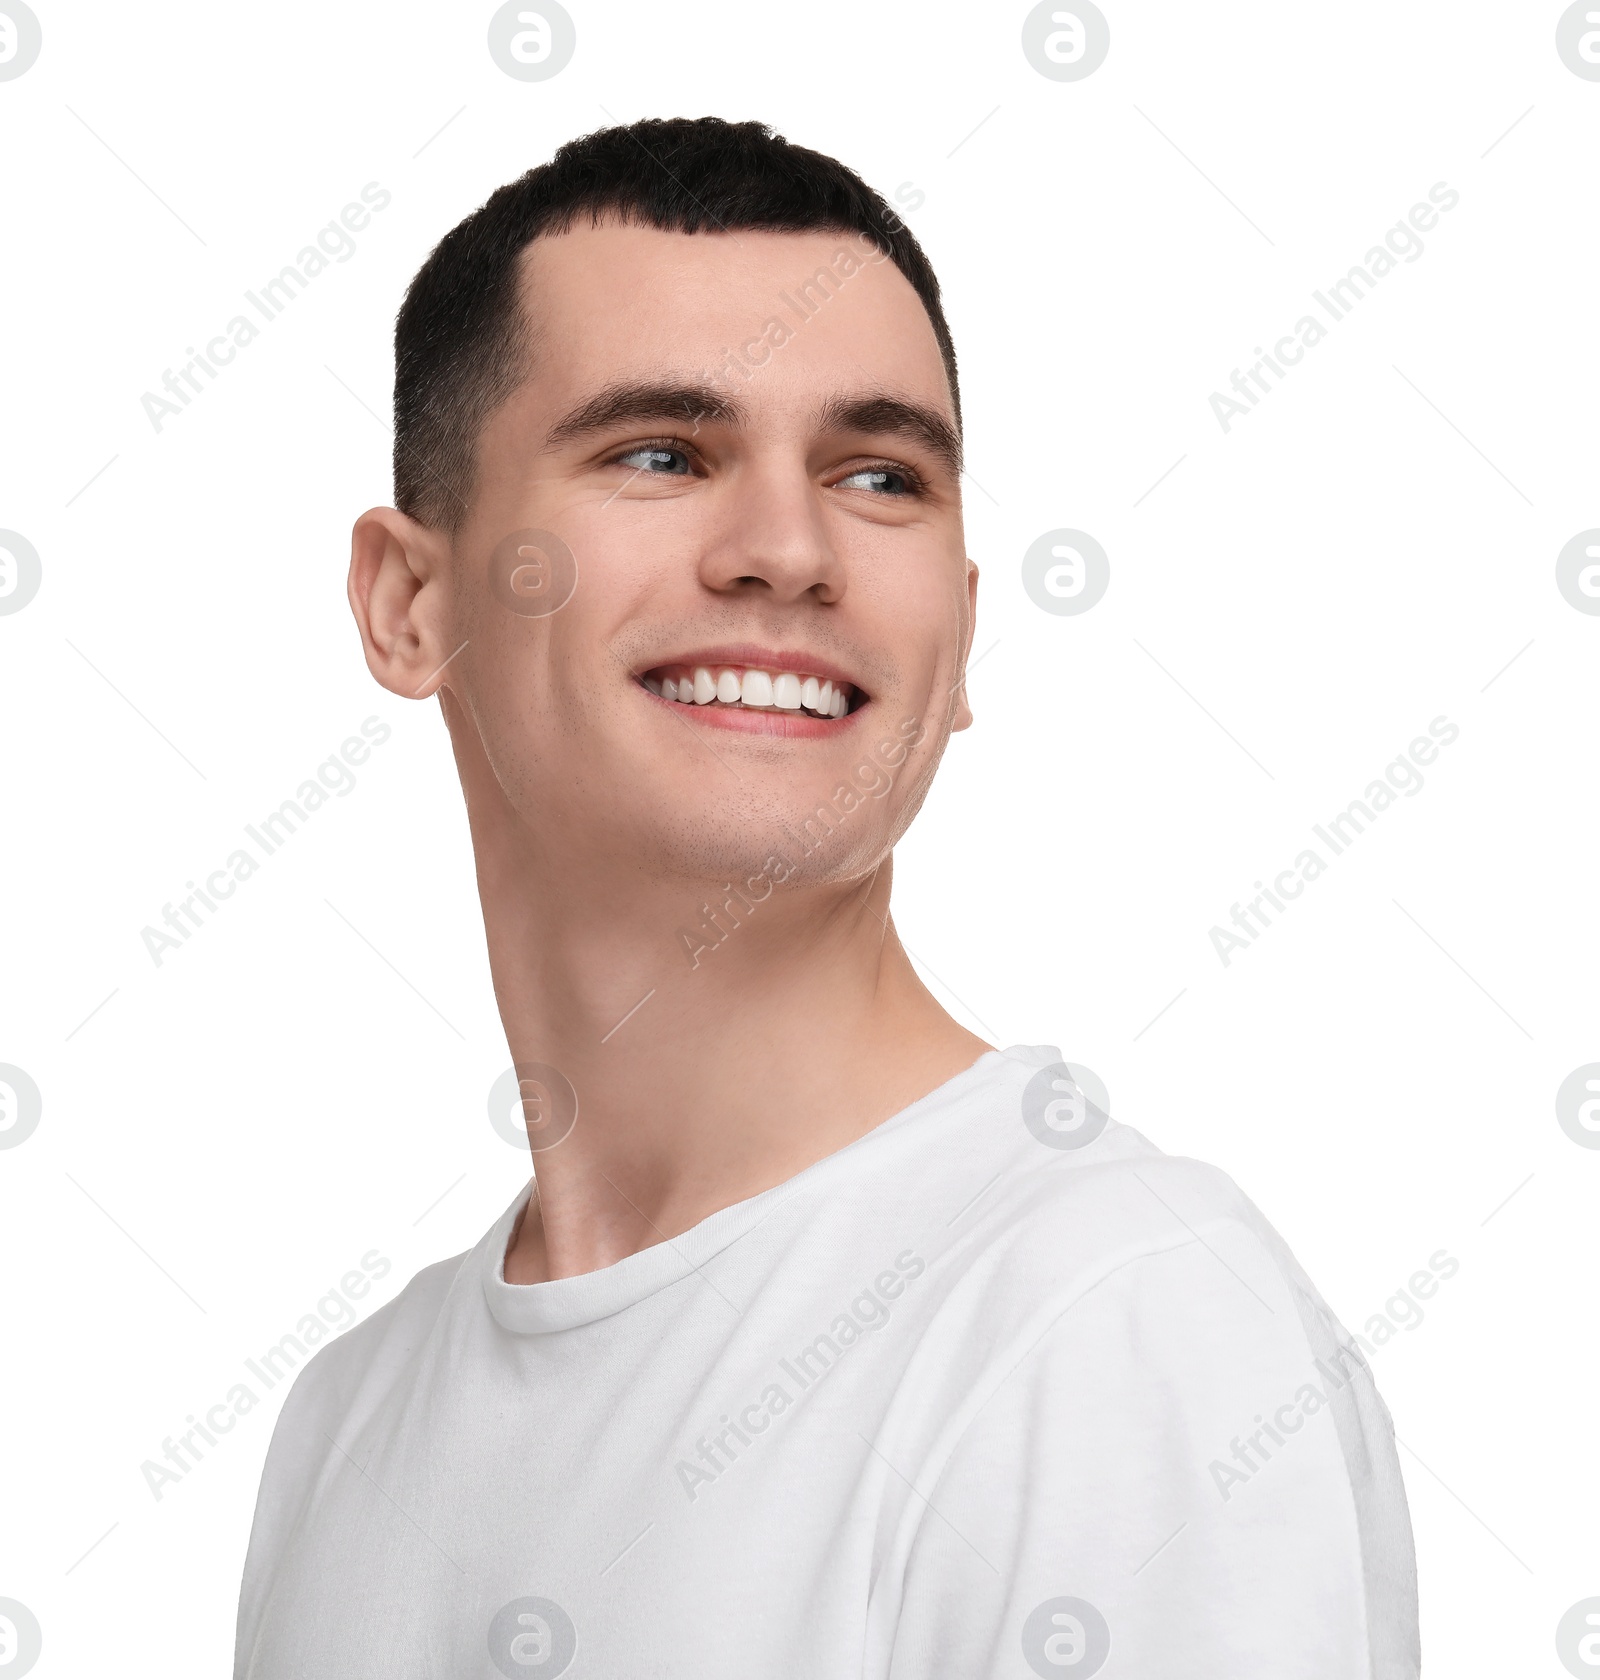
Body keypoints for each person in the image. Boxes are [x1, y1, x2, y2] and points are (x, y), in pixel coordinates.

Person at [234, 116, 1419, 1679]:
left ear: (965, 628)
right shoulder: (348, 1430)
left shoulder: (1113, 1326)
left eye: (879, 476)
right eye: (661, 454)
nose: (790, 550)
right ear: (408, 604)